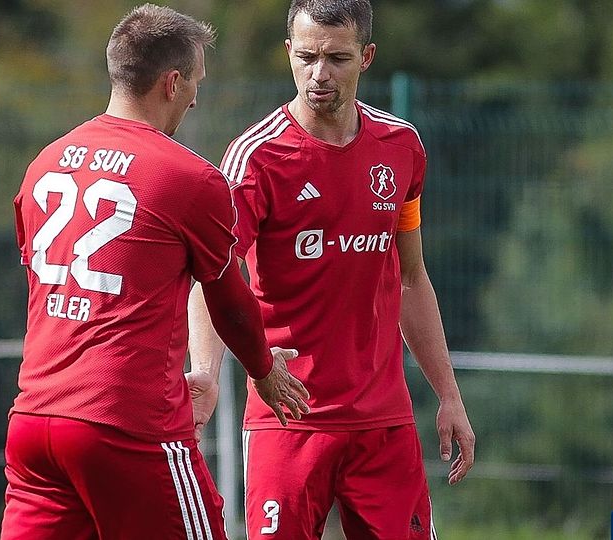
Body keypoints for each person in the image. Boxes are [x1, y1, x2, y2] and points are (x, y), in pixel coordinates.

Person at [2, 4, 309, 539]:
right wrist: (263, 369)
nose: (196, 96)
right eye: (196, 81)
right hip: (126, 425)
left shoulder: (43, 163)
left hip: (35, 424)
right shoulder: (188, 177)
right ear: (172, 82)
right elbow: (229, 297)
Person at [186, 1, 475, 538]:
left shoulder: (401, 148)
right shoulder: (257, 157)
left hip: (383, 421)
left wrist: (449, 395)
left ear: (366, 57)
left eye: (337, 58)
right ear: (289, 54)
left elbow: (411, 277)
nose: (320, 74)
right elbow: (213, 277)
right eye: (307, 57)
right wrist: (206, 369)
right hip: (288, 416)